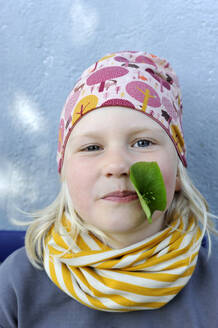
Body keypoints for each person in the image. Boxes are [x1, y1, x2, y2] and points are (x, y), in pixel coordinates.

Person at [0, 51, 217, 327]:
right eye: (92, 147)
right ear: (65, 175)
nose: (117, 165)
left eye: (142, 143)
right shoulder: (17, 286)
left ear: (176, 173)